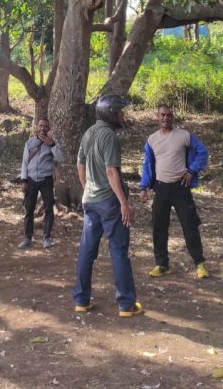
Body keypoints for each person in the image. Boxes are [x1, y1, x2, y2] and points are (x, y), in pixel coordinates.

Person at [72, 94, 143, 318]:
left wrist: (87, 189)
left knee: (87, 251)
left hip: (91, 201)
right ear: (111, 114)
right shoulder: (109, 136)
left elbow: (79, 165)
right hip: (109, 203)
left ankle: (81, 300)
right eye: (121, 112)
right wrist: (123, 202)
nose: (123, 115)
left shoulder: (88, 133)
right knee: (119, 251)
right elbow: (112, 172)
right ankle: (126, 304)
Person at [138, 105, 210, 279]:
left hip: (180, 187)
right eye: (162, 115)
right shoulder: (152, 140)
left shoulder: (183, 136)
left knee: (190, 225)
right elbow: (148, 165)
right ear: (157, 117)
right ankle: (162, 264)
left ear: (173, 117)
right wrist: (143, 187)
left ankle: (199, 264)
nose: (166, 118)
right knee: (158, 226)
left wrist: (192, 170)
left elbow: (202, 152)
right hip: (161, 188)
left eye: (169, 115)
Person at [19, 118, 64, 249]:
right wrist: (24, 180)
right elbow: (24, 163)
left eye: (45, 126)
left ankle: (47, 237)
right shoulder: (29, 143)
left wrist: (52, 145)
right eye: (40, 125)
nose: (43, 128)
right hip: (31, 179)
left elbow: (60, 158)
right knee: (29, 209)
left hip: (46, 179)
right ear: (37, 127)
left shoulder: (52, 144)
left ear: (48, 128)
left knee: (49, 208)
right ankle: (27, 237)